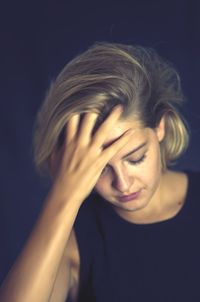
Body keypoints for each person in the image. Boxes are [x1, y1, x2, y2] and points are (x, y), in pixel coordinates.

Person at [0, 42, 199, 302]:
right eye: (100, 168)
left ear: (160, 126)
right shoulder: (73, 239)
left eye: (135, 158)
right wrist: (64, 195)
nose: (123, 184)